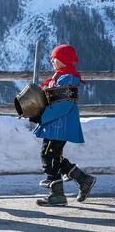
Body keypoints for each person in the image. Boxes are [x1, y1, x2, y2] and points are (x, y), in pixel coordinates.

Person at [31, 44, 96, 206]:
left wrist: (41, 116)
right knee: (54, 157)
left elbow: (63, 105)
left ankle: (57, 195)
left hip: (59, 126)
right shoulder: (61, 76)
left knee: (48, 156)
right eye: (52, 57)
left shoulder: (67, 78)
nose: (52, 60)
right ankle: (83, 179)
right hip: (54, 126)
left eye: (56, 58)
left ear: (65, 60)